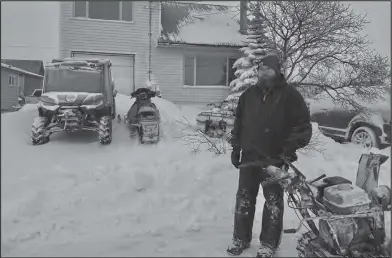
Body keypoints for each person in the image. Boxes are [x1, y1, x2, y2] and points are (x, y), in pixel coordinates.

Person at [227, 54, 312, 258]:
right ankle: (241, 238)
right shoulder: (248, 95)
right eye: (261, 68)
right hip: (249, 157)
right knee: (244, 199)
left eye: (268, 68)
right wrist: (236, 148)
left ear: (277, 71)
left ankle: (269, 244)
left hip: (274, 159)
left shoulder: (290, 95)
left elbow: (303, 127)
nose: (264, 72)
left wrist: (288, 150)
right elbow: (239, 123)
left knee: (273, 203)